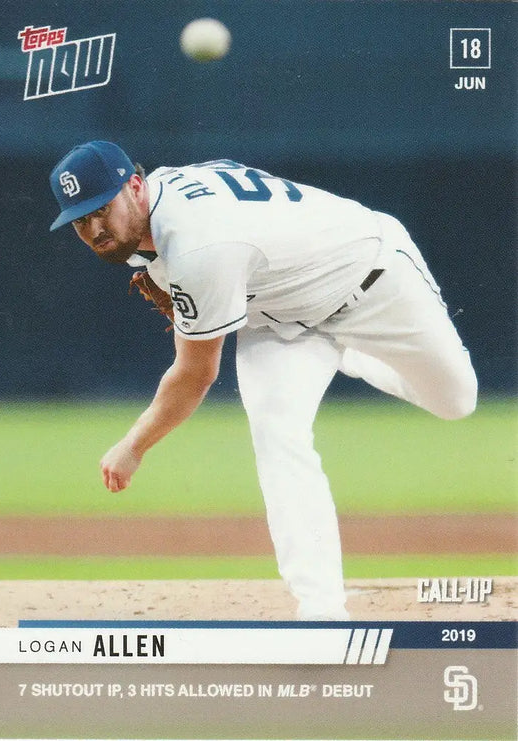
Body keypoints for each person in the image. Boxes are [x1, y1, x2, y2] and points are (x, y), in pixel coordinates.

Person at [49, 140, 477, 620]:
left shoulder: (196, 246)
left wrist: (133, 446)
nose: (94, 229)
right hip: (280, 318)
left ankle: (352, 354)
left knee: (457, 400)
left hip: (374, 278)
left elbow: (194, 376)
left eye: (101, 209)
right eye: (80, 220)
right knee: (277, 434)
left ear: (134, 186)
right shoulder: (157, 208)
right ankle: (321, 609)